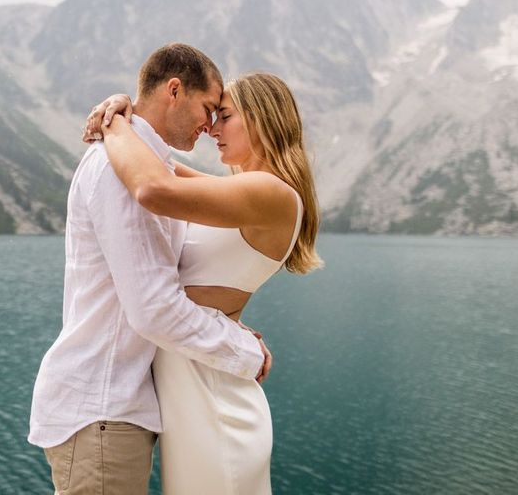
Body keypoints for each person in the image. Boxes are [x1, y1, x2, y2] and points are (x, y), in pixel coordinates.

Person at [29, 43, 273, 495]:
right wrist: (246, 353)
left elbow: (166, 285)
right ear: (174, 90)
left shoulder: (142, 162)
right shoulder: (121, 170)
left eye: (221, 116)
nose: (210, 125)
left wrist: (119, 115)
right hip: (102, 409)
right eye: (207, 108)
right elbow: (153, 308)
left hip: (112, 410)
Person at [84, 70, 322, 495]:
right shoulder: (253, 190)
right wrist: (129, 111)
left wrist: (115, 123)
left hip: (214, 398)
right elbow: (161, 165)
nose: (211, 129)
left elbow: (153, 188)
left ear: (263, 119)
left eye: (224, 115)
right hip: (196, 383)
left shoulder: (273, 193)